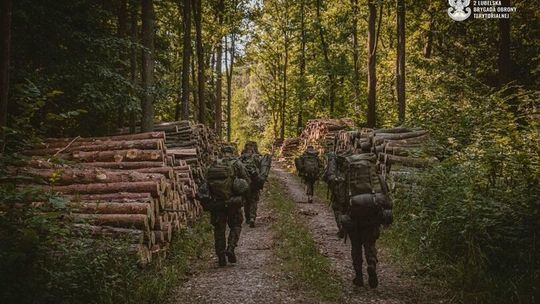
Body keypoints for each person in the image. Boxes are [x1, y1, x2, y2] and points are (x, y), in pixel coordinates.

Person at [334, 153, 393, 288]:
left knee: (356, 246)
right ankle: (371, 263)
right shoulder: (376, 178)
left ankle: (359, 276)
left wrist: (343, 213)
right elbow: (386, 195)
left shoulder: (347, 179)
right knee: (370, 243)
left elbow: (341, 199)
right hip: (372, 215)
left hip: (354, 216)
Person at [197, 145, 250, 267]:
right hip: (233, 203)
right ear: (232, 152)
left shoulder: (213, 164)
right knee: (236, 225)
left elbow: (205, 182)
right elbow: (246, 181)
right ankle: (230, 248)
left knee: (219, 229)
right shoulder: (237, 164)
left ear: (221, 153)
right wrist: (244, 198)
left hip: (216, 204)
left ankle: (221, 256)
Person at [239, 141, 262, 227]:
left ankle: (248, 218)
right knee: (254, 200)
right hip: (255, 181)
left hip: (245, 182)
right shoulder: (257, 157)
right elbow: (262, 169)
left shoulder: (241, 157)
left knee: (246, 201)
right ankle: (252, 217)